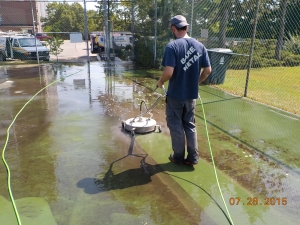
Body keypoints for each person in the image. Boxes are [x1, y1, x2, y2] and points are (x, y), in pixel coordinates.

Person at [157, 15, 212, 166]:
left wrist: (161, 81)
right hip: (191, 95)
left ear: (173, 29)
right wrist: (195, 83)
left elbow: (169, 72)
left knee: (176, 125)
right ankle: (193, 158)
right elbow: (208, 70)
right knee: (189, 124)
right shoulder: (200, 46)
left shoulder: (172, 47)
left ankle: (178, 157)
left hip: (175, 95)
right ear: (187, 28)